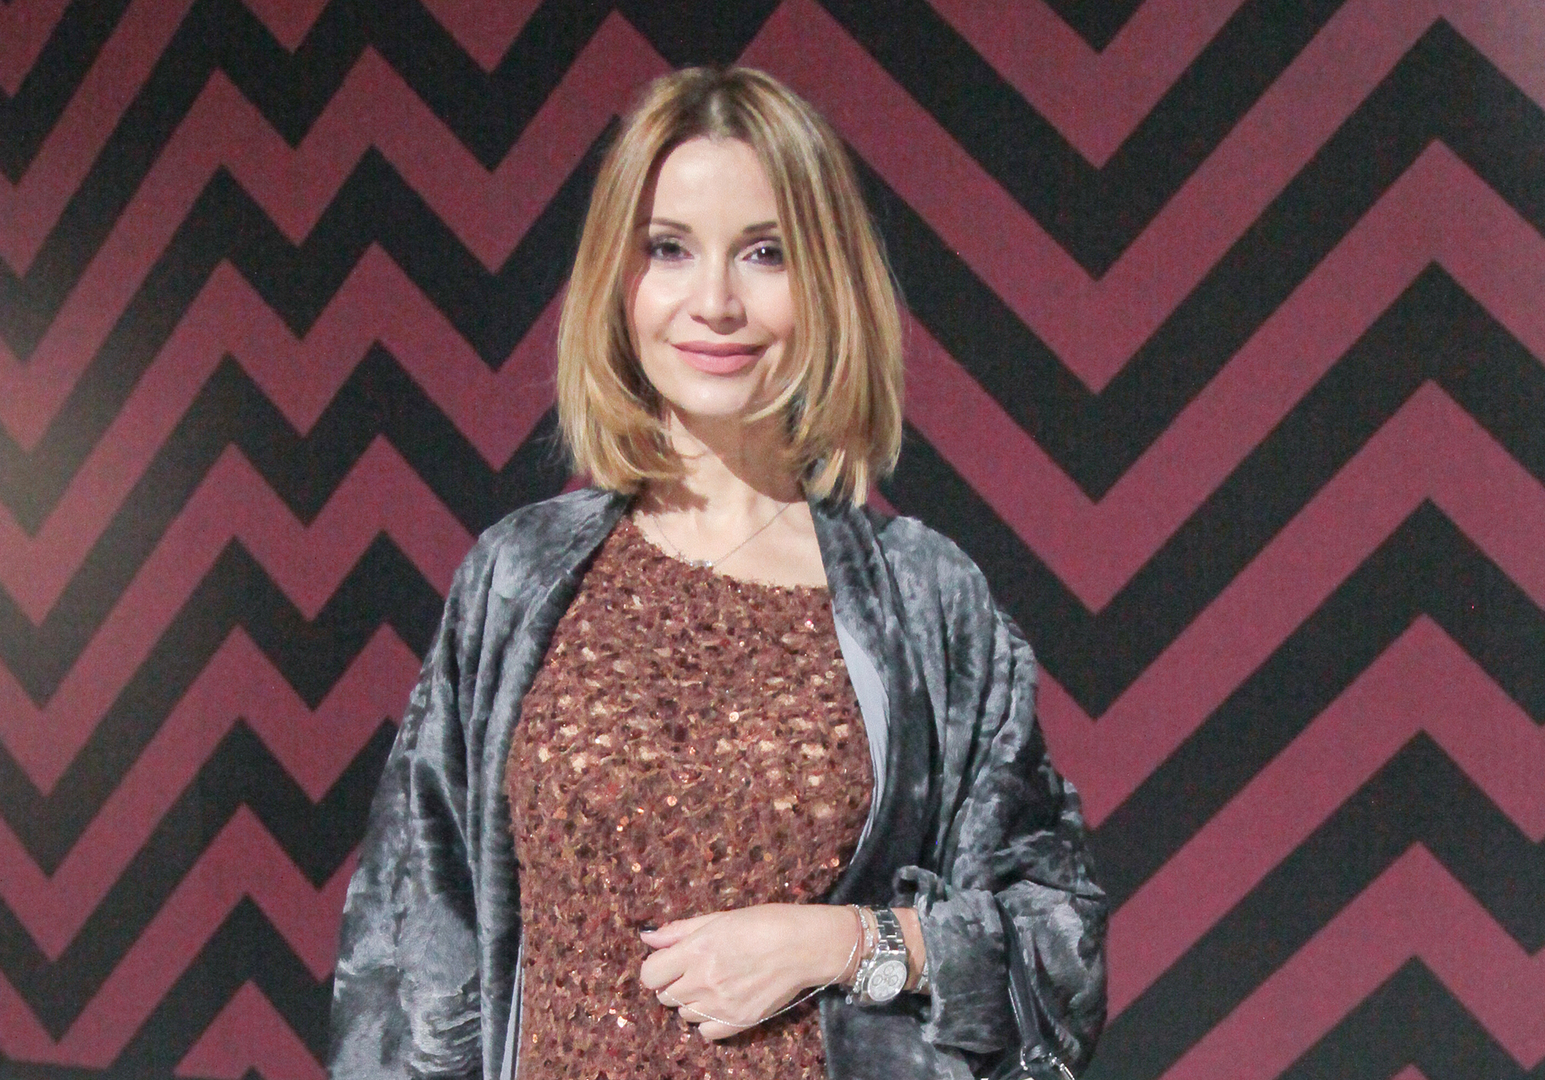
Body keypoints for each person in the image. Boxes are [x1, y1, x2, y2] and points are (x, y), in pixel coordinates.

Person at [328, 66, 1106, 1080]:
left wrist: (843, 943)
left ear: (828, 280)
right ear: (618, 280)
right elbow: (406, 961)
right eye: (669, 249)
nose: (716, 302)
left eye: (766, 253)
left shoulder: (926, 604)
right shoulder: (518, 582)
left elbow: (1057, 952)